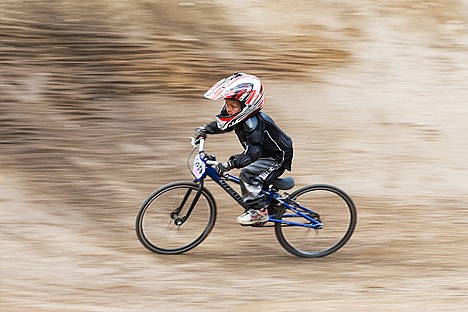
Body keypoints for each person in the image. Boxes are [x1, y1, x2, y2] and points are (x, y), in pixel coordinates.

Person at [194, 73, 293, 225]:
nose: (228, 109)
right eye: (227, 104)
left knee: (248, 174)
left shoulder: (253, 123)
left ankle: (259, 212)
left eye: (233, 106)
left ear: (248, 105)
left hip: (276, 157)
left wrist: (230, 164)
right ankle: (274, 204)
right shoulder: (240, 117)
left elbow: (254, 153)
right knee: (255, 178)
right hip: (264, 153)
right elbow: (223, 126)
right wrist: (205, 129)